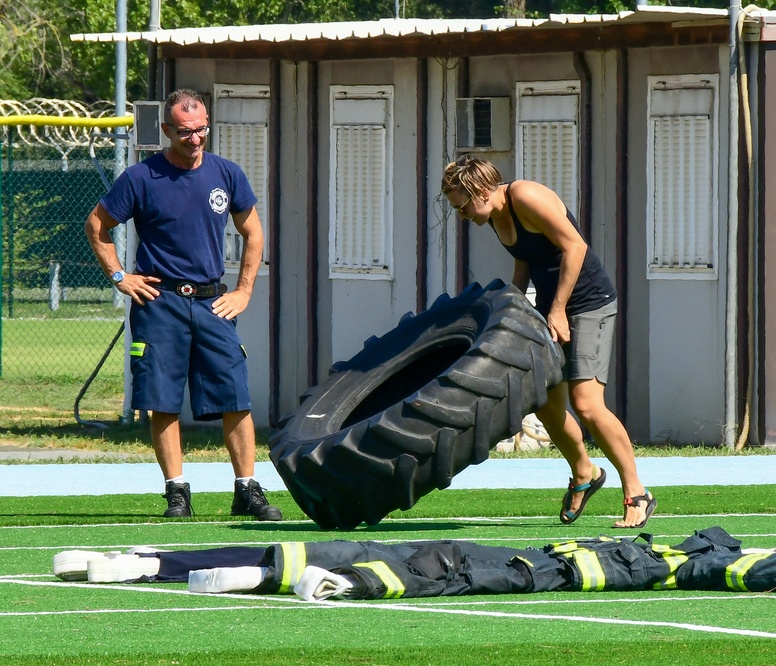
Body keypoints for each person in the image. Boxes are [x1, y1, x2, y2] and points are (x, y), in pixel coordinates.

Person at [84, 89, 281, 521]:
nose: (196, 139)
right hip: (160, 303)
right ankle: (177, 492)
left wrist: (244, 291)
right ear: (168, 130)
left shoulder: (227, 174)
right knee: (163, 400)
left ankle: (246, 489)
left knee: (236, 396)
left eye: (202, 130)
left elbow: (254, 233)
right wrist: (120, 276)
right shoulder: (141, 178)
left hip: (213, 303)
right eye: (186, 132)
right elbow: (97, 225)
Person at [441, 155, 655, 529]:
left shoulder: (526, 196)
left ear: (481, 190)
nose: (462, 216)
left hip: (588, 304)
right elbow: (524, 261)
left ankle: (637, 492)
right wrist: (512, 311)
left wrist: (556, 309)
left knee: (587, 405)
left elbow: (576, 247)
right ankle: (585, 473)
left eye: (461, 205)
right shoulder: (493, 214)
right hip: (550, 308)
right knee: (545, 406)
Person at [52, 526, 776, 600]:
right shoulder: (717, 547)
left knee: (434, 570)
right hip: (540, 558)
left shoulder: (717, 565)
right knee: (397, 552)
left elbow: (747, 571)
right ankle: (154, 561)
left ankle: (345, 587)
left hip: (544, 569)